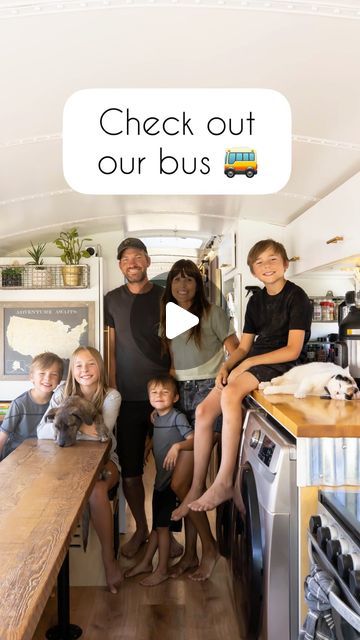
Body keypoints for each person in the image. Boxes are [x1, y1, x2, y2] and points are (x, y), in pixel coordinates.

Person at [172, 239, 312, 517]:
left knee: (232, 393)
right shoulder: (256, 300)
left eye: (273, 260)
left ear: (285, 264)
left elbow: (294, 349)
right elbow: (244, 347)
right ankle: (197, 485)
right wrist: (226, 366)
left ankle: (224, 481)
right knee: (203, 412)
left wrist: (248, 362)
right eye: (259, 262)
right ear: (253, 270)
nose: (267, 266)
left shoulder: (298, 297)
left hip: (281, 361)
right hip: (255, 358)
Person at [159, 259, 239, 580]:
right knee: (188, 483)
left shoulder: (213, 313)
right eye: (177, 280)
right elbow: (171, 360)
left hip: (208, 394)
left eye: (189, 280)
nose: (183, 285)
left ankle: (210, 549)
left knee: (185, 482)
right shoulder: (168, 317)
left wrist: (226, 369)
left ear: (198, 284)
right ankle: (191, 552)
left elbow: (234, 350)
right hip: (179, 396)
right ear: (170, 285)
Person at [104, 237, 173, 559]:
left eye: (137, 257)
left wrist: (173, 384)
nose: (132, 263)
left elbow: (177, 344)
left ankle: (167, 534)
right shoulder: (110, 300)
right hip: (127, 399)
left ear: (147, 261)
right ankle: (142, 528)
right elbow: (110, 349)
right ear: (120, 265)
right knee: (130, 472)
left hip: (164, 397)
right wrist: (113, 392)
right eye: (125, 259)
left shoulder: (165, 298)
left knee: (169, 471)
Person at [37, 346, 123, 594]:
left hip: (106, 462)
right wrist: (77, 426)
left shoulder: (110, 396)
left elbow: (102, 437)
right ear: (72, 371)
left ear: (100, 367)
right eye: (78, 366)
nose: (84, 371)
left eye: (91, 364)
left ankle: (109, 562)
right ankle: (48, 572)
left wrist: (70, 424)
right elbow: (41, 432)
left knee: (96, 490)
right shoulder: (60, 395)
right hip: (65, 463)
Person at [125, 374, 193, 586]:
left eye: (164, 392)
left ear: (175, 397)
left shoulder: (177, 417)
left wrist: (177, 447)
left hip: (172, 483)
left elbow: (194, 440)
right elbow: (160, 437)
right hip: (159, 482)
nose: (159, 396)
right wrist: (149, 447)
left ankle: (162, 569)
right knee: (157, 526)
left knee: (163, 528)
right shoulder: (156, 417)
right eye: (154, 393)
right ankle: (146, 563)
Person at [0, 352, 63, 461]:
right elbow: (3, 436)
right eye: (42, 373)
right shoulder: (19, 404)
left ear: (59, 380)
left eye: (54, 374)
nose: (47, 378)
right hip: (16, 458)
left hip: (44, 457)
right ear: (32, 377)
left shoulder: (58, 402)